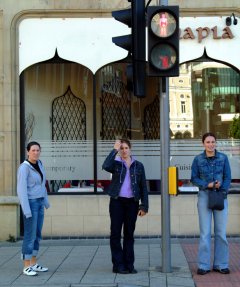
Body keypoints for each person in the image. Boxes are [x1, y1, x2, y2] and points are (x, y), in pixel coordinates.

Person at [102, 138, 149, 274]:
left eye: (126, 148)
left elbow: (143, 187)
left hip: (132, 203)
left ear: (130, 149)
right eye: (121, 148)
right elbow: (105, 166)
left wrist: (144, 206)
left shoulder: (138, 166)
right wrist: (114, 149)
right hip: (117, 202)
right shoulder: (116, 164)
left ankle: (129, 264)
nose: (123, 151)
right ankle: (118, 265)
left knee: (129, 234)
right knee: (115, 233)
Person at [191, 132, 231, 275]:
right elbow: (194, 178)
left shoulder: (223, 158)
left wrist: (223, 190)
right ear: (203, 144)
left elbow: (227, 177)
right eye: (208, 142)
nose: (211, 144)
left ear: (216, 143)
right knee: (205, 233)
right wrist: (206, 184)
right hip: (204, 196)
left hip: (220, 196)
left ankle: (221, 264)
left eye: (213, 142)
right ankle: (204, 265)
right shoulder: (198, 159)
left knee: (221, 233)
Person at [17, 141, 50, 276]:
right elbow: (21, 190)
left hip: (40, 203)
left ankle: (33, 263)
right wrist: (26, 210)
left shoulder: (40, 164)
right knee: (30, 236)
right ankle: (26, 266)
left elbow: (43, 185)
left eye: (38, 150)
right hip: (30, 204)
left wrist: (45, 202)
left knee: (37, 235)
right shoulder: (24, 168)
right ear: (28, 152)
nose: (36, 152)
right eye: (33, 150)